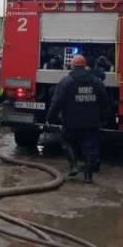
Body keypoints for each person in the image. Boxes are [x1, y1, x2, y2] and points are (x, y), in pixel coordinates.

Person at [46, 55, 110, 183]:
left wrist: (50, 118)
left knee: (66, 142)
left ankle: (73, 166)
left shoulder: (66, 82)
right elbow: (105, 103)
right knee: (90, 149)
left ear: (72, 66)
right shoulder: (96, 82)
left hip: (71, 122)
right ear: (85, 66)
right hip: (91, 123)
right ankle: (88, 176)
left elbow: (57, 102)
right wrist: (103, 119)